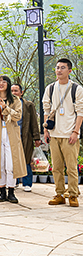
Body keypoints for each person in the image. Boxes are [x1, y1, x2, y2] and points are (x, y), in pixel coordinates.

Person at [43, 58, 83, 207]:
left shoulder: (76, 89)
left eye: (63, 68)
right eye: (57, 67)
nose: (59, 70)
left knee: (71, 167)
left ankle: (73, 194)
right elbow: (46, 110)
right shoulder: (51, 88)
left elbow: (80, 112)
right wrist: (46, 130)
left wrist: (75, 132)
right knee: (57, 167)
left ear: (69, 70)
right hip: (54, 134)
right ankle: (59, 194)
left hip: (69, 134)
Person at [0, 76, 26, 204]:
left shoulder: (15, 100)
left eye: (3, 82)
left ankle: (11, 191)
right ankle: (2, 190)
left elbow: (17, 116)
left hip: (11, 133)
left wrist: (5, 106)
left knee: (11, 163)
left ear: (8, 84)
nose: (0, 84)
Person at [12, 83, 41, 192]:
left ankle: (27, 183)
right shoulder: (8, 104)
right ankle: (13, 182)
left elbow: (34, 122)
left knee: (26, 159)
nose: (14, 93)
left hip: (25, 136)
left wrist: (36, 137)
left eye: (16, 91)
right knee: (12, 160)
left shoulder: (28, 105)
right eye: (12, 91)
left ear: (21, 92)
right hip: (12, 136)